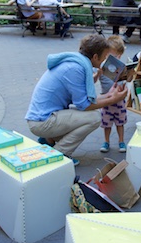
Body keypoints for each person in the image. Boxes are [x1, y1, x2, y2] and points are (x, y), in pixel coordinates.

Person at [25, 34, 128, 166]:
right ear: (95, 57)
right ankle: (60, 154)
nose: (105, 61)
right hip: (41, 121)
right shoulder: (76, 68)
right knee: (94, 118)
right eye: (104, 57)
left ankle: (48, 140)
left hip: (42, 117)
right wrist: (113, 99)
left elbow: (85, 101)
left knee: (86, 115)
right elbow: (84, 105)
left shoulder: (75, 62)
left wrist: (110, 96)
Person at [98, 35, 130, 153]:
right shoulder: (102, 66)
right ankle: (106, 142)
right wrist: (98, 73)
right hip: (106, 99)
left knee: (120, 122)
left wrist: (130, 73)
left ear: (120, 55)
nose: (111, 58)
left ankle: (121, 141)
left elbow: (129, 79)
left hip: (120, 100)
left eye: (115, 56)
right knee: (106, 123)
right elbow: (95, 78)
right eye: (108, 55)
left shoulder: (121, 67)